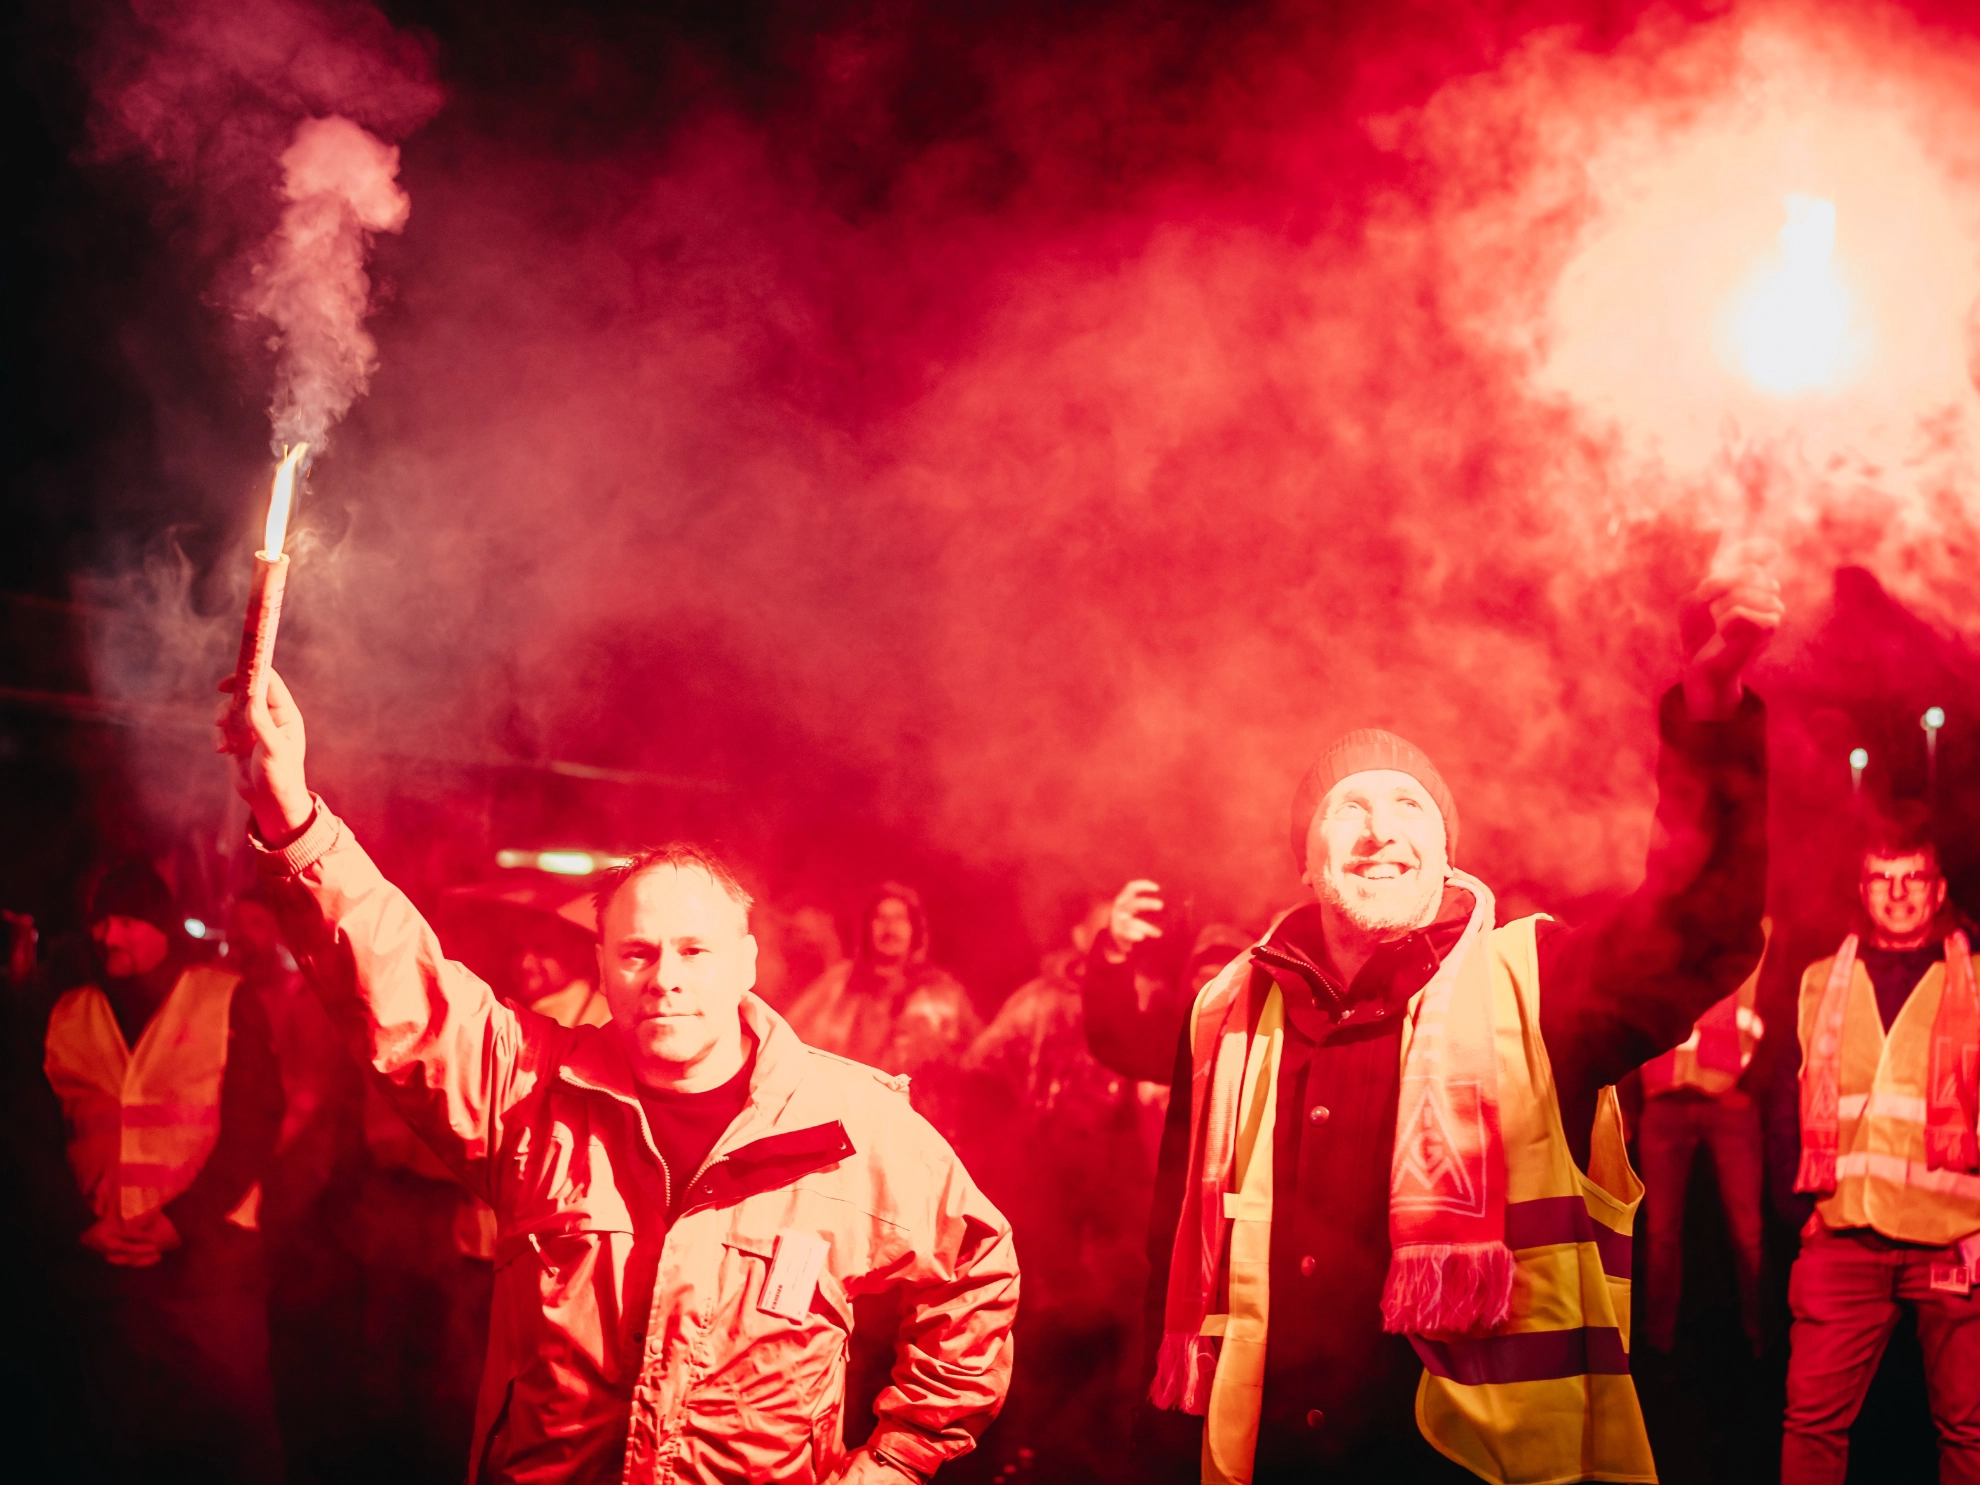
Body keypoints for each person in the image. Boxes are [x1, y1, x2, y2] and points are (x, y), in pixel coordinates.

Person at [218, 668, 1018, 1485]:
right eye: (636, 952)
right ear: (603, 968)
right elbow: (400, 988)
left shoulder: (850, 1128)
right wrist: (293, 818)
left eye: (694, 951)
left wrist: (892, 1463)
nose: (664, 976)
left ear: (747, 963)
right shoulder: (533, 1096)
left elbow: (977, 1272)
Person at [1092, 564, 1779, 1485]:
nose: (1381, 831)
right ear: (1307, 862)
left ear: (1446, 854)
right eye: (1351, 809)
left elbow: (1703, 930)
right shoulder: (1224, 1013)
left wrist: (1710, 717)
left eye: (1409, 806)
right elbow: (1167, 1264)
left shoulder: (1538, 984)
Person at [41, 859, 285, 1483]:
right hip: (104, 1273)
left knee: (226, 1440)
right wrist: (76, 1223)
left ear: (161, 929)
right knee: (114, 1442)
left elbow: (254, 1124)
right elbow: (28, 1135)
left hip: (208, 1272)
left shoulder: (225, 999)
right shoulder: (65, 1010)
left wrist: (183, 1222)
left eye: (126, 921)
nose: (107, 936)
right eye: (101, 922)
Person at [1768, 816, 1980, 1485]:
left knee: (1970, 1431)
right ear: (1863, 889)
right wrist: (1796, 1204)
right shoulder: (1815, 982)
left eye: (1911, 876)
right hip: (1842, 1237)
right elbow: (1781, 1098)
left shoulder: (1976, 980)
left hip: (1955, 1239)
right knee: (1811, 1425)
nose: (1896, 893)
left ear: (1937, 886)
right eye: (1882, 879)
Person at [1635, 919, 1770, 1355]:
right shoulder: (1650, 932)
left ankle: (1762, 1340)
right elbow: (1628, 1017)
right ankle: (1657, 1345)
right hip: (1664, 1099)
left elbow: (1779, 1007)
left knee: (1748, 1231)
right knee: (1660, 1233)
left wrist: (1752, 1090)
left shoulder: (1752, 930)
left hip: (1728, 1100)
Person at [785, 882, 980, 1131]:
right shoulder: (839, 985)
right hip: (847, 1127)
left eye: (899, 919)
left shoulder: (942, 993)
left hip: (920, 1131)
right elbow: (790, 1040)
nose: (890, 928)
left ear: (915, 930)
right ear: (868, 928)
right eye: (881, 918)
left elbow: (975, 1061)